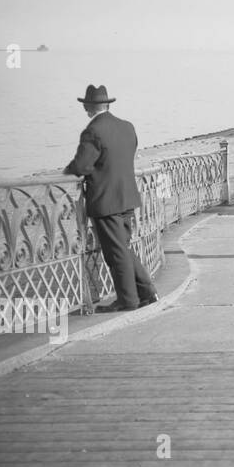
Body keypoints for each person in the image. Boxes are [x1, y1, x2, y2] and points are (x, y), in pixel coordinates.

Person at [64, 84, 158, 312]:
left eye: (85, 105)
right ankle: (147, 292)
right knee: (122, 248)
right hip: (127, 197)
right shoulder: (127, 127)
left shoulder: (92, 131)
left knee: (116, 253)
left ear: (88, 106)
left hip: (106, 201)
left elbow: (82, 165)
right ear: (107, 104)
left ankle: (128, 301)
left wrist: (67, 171)